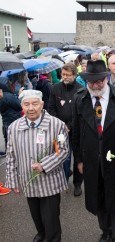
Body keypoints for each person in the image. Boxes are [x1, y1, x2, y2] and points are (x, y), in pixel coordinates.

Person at [72, 60, 115, 242]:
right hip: (91, 159)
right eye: (91, 82)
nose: (96, 85)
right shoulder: (80, 99)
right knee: (98, 196)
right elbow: (76, 133)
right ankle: (105, 231)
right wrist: (79, 160)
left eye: (99, 80)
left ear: (106, 78)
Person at [5, 90, 69, 242]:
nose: (31, 108)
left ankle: (53, 237)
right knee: (35, 214)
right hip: (28, 180)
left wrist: (44, 165)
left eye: (35, 104)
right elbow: (10, 155)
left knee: (50, 216)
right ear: (22, 106)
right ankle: (41, 233)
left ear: (42, 105)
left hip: (50, 181)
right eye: (26, 104)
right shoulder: (14, 127)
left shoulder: (56, 124)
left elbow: (63, 150)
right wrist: (12, 181)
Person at [49, 63, 84, 195]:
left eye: (68, 75)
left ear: (74, 75)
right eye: (63, 74)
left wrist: (69, 126)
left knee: (78, 156)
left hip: (76, 130)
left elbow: (80, 112)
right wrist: (60, 125)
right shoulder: (55, 88)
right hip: (59, 130)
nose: (65, 77)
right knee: (62, 156)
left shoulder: (80, 90)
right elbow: (51, 108)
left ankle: (77, 183)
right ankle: (62, 180)